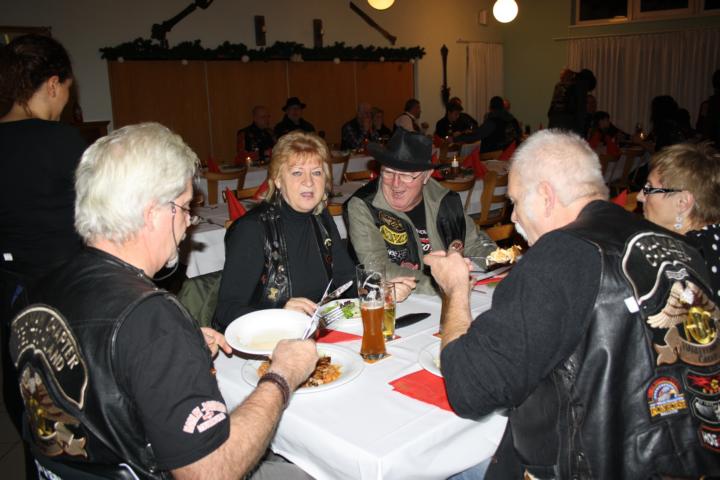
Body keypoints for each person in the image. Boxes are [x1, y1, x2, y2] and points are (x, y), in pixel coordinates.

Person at [9, 122, 319, 479]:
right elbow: (210, 472)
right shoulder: (151, 319)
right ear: (152, 212)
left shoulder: (35, 292)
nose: (189, 223)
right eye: (185, 207)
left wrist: (171, 353)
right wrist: (282, 375)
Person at [424, 129, 720, 479]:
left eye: (515, 202)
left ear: (546, 196)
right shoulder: (678, 246)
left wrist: (455, 290)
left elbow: (470, 390)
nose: (513, 218)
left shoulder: (561, 255)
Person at [214, 131, 416, 330]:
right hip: (265, 338)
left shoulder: (320, 218)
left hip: (315, 332)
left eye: (317, 173)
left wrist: (381, 288)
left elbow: (346, 279)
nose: (309, 182)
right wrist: (280, 311)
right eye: (297, 172)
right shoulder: (252, 229)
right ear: (278, 180)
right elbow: (226, 311)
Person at [0, 34, 87, 478]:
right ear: (53, 84)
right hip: (60, 294)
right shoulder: (62, 142)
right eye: (66, 90)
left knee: (23, 394)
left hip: (8, 294)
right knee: (66, 404)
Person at [345, 129, 496, 296]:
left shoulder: (444, 200)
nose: (396, 183)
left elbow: (474, 244)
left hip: (450, 294)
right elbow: (377, 268)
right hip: (397, 301)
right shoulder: (364, 206)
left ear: (426, 176)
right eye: (388, 172)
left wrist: (499, 263)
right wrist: (440, 283)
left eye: (406, 175)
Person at [637, 141, 720, 301]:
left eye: (649, 188)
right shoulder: (712, 239)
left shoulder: (681, 263)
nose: (640, 196)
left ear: (682, 202)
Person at [455, 96, 521, 153]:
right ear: (503, 107)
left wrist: (456, 138)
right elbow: (519, 136)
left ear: (491, 108)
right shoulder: (513, 120)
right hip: (511, 155)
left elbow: (476, 136)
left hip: (494, 156)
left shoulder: (493, 121)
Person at [547, 67, 596, 135]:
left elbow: (552, 106)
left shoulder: (559, 84)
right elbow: (581, 110)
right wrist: (580, 132)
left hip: (553, 120)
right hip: (567, 122)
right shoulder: (581, 85)